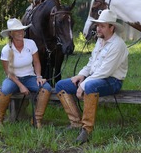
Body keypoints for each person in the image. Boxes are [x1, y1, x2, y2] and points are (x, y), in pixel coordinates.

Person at [55, 9, 129, 144]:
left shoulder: (117, 45)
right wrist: (81, 75)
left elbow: (105, 71)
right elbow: (91, 63)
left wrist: (83, 84)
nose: (98, 28)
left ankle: (87, 129)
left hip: (112, 81)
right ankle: (75, 122)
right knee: (61, 85)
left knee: (90, 86)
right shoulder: (100, 41)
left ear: (111, 28)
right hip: (95, 78)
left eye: (102, 26)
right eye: (98, 25)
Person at [0, 18, 52, 128]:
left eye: (21, 30)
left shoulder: (30, 44)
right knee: (5, 89)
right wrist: (21, 86)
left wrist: (39, 76)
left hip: (30, 77)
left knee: (46, 88)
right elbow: (8, 72)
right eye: (17, 31)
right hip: (14, 79)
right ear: (11, 34)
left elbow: (36, 62)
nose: (21, 33)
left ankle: (37, 120)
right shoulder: (6, 50)